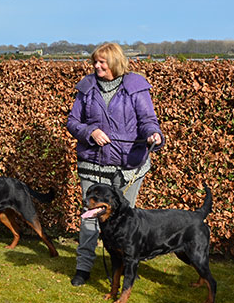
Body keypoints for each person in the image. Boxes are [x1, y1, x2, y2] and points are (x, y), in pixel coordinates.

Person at [66, 42, 164, 286]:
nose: (97, 66)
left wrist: (154, 134)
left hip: (128, 166)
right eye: (95, 61)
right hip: (92, 164)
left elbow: (148, 120)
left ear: (115, 62)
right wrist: (90, 131)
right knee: (89, 218)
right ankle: (83, 268)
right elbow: (72, 121)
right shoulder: (86, 87)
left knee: (125, 222)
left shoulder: (135, 86)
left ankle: (126, 268)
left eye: (102, 61)